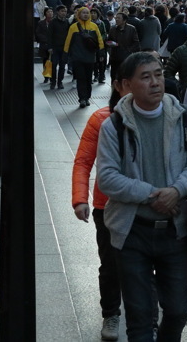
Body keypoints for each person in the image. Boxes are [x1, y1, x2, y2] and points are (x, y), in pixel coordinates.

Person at [95, 52, 187, 342]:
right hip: (132, 233)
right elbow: (107, 178)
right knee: (140, 318)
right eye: (146, 77)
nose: (156, 82)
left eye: (158, 74)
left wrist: (176, 191)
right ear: (127, 85)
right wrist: (152, 195)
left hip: (175, 231)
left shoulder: (182, 118)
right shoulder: (114, 126)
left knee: (178, 310)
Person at [72, 83, 128, 341]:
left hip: (146, 205)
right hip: (107, 206)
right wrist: (80, 198)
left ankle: (148, 314)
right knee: (111, 263)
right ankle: (111, 313)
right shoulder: (101, 118)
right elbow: (84, 161)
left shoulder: (161, 116)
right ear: (120, 85)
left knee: (148, 262)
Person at [64, 6, 104, 108]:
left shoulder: (94, 26)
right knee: (81, 78)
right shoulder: (73, 27)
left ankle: (87, 98)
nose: (86, 14)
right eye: (83, 13)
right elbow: (68, 41)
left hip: (90, 58)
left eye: (87, 13)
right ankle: (82, 98)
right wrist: (66, 54)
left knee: (88, 79)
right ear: (79, 14)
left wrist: (101, 53)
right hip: (77, 58)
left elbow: (100, 40)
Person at [107, 12, 140, 81]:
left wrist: (128, 51)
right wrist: (110, 43)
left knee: (125, 76)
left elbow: (136, 43)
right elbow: (108, 40)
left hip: (126, 57)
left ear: (124, 20)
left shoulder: (131, 29)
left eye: (119, 18)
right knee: (114, 76)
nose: (116, 19)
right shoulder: (112, 29)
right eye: (116, 18)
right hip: (114, 56)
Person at [48, 5, 71, 90]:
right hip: (54, 47)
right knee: (53, 65)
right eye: (62, 11)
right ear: (57, 12)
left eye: (65, 11)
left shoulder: (67, 22)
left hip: (64, 48)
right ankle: (53, 82)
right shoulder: (53, 22)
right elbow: (49, 35)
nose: (64, 13)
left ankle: (60, 82)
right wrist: (49, 47)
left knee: (62, 66)